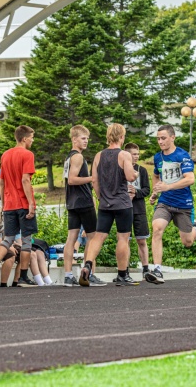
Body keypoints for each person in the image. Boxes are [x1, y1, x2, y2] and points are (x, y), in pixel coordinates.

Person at [79, 123, 139, 287]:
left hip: (105, 203)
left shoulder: (99, 155)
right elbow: (130, 177)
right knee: (123, 238)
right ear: (122, 137)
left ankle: (88, 265)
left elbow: (95, 180)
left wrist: (101, 197)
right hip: (122, 203)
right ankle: (122, 275)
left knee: (98, 236)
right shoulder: (124, 155)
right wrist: (135, 173)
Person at [147, 125, 196, 285]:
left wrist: (168, 187)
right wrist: (155, 192)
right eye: (158, 139)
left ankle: (195, 228)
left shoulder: (182, 155)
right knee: (157, 228)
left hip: (183, 204)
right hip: (165, 202)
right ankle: (157, 269)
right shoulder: (158, 157)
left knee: (187, 242)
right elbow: (156, 176)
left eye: (163, 138)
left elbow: (190, 179)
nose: (160, 141)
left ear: (172, 137)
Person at [0, 125, 38, 288]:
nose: (32, 141)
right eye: (31, 138)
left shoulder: (6, 155)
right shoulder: (27, 154)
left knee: (8, 238)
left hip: (8, 204)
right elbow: (25, 180)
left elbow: (1, 182)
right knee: (26, 241)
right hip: (22, 203)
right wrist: (30, 203)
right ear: (24, 139)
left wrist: (4, 202)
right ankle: (23, 277)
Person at [62, 125, 101, 287]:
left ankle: (68, 275)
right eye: (83, 138)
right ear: (74, 139)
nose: (86, 141)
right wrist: (92, 178)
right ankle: (89, 274)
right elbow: (72, 180)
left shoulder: (69, 157)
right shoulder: (77, 157)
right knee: (93, 238)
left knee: (71, 238)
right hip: (83, 202)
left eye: (87, 139)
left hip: (72, 202)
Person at [124, 142, 151, 280]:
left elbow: (147, 190)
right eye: (134, 154)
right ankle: (124, 270)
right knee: (125, 241)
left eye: (138, 154)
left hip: (139, 209)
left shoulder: (142, 170)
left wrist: (136, 193)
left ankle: (146, 269)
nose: (137, 156)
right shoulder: (120, 169)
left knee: (141, 240)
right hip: (124, 209)